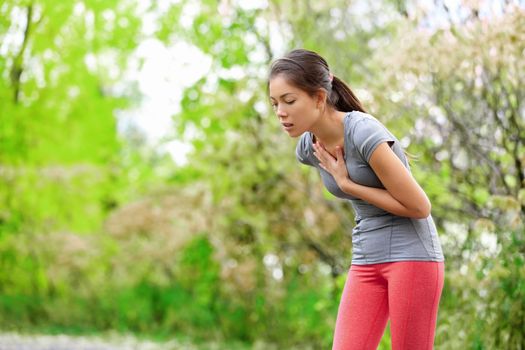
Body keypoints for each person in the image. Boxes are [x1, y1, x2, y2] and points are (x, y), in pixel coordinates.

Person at [267, 48, 445, 350]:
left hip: (412, 255)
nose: (281, 112)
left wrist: (349, 184)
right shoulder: (307, 148)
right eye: (274, 104)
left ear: (320, 98)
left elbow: (419, 207)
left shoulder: (363, 132)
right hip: (365, 257)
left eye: (289, 101)